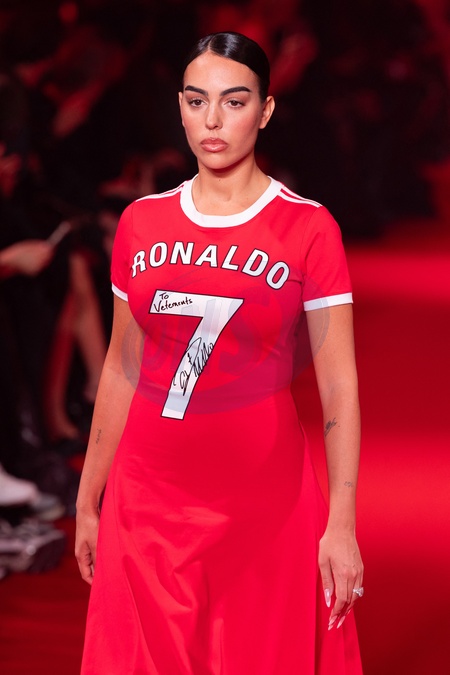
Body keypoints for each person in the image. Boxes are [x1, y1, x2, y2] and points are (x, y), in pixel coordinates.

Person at [75, 31, 364, 674]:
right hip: (145, 500)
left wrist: (341, 524)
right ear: (179, 107)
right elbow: (121, 365)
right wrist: (88, 498)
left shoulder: (308, 228)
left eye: (234, 102)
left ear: (265, 110)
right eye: (196, 100)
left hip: (263, 504)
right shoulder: (140, 222)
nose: (212, 120)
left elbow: (339, 386)